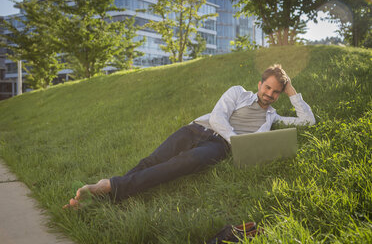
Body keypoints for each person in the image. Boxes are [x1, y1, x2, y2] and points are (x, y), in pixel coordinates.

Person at [63, 64, 315, 208]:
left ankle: (109, 187)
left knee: (180, 164)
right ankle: (108, 195)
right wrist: (237, 141)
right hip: (196, 129)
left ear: (279, 94)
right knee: (152, 161)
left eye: (276, 92)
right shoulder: (238, 92)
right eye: (267, 87)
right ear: (260, 84)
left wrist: (292, 90)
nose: (269, 94)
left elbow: (307, 121)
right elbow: (217, 118)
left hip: (218, 147)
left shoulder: (272, 116)